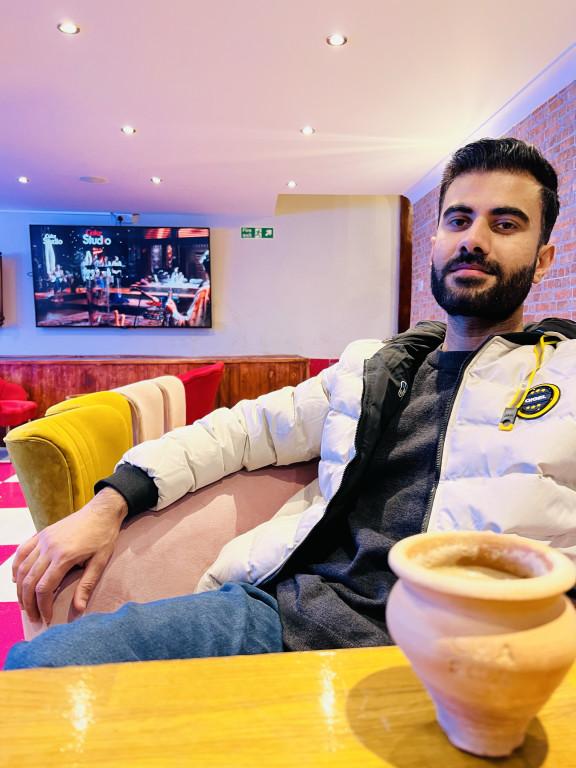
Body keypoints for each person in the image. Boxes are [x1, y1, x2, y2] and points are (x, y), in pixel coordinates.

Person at [6, 137, 576, 670]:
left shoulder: (565, 374)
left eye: (505, 223)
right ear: (435, 243)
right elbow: (238, 430)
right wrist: (107, 506)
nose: (474, 239)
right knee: (44, 666)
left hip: (482, 653)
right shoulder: (376, 370)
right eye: (459, 219)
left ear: (543, 258)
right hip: (293, 619)